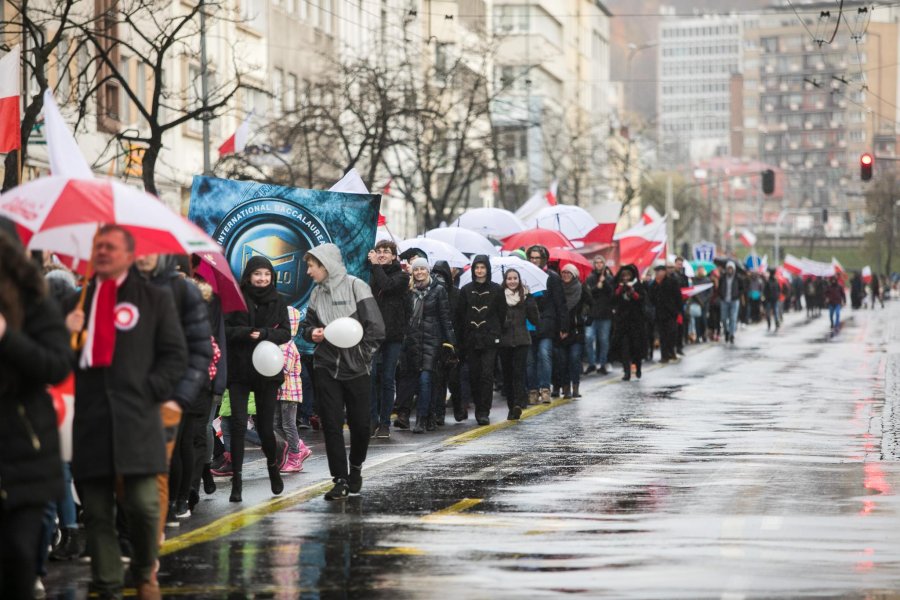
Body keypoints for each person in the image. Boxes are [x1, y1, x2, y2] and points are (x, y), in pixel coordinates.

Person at [63, 225, 187, 599]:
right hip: (91, 422)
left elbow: (175, 356)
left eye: (111, 247)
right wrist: (65, 335)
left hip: (138, 420)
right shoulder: (76, 301)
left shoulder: (153, 299)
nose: (102, 252)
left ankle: (143, 568)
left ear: (129, 254)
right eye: (98, 246)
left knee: (145, 506)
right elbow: (57, 363)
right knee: (98, 512)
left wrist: (148, 391)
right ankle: (106, 584)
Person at [0, 231, 71, 599]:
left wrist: (7, 336)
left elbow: (56, 365)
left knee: (16, 560)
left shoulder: (34, 300)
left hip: (24, 452)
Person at [299, 244, 385, 501]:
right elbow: (307, 325)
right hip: (325, 366)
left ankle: (356, 467)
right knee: (331, 425)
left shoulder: (356, 286)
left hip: (357, 369)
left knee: (360, 425)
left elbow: (376, 329)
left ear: (325, 265)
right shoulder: (316, 294)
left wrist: (361, 356)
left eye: (311, 266)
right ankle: (339, 479)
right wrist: (310, 333)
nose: (308, 272)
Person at [134, 254, 212, 526]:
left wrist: (182, 394)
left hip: (181, 389)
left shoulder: (185, 293)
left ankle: (177, 500)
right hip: (139, 390)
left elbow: (204, 347)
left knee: (178, 447)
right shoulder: (126, 287)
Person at [224, 256, 291, 502]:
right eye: (257, 274)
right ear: (248, 276)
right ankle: (237, 481)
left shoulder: (278, 300)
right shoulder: (235, 298)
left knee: (264, 427)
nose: (262, 278)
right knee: (239, 425)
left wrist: (264, 333)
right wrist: (244, 333)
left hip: (266, 371)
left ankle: (273, 468)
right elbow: (223, 329)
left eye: (266, 274)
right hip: (240, 369)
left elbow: (285, 332)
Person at [395, 257, 455, 433]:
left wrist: (450, 343)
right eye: (416, 269)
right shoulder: (409, 292)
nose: (419, 272)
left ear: (428, 271)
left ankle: (421, 419)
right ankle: (427, 415)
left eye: (422, 269)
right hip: (413, 342)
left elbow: (445, 318)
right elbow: (405, 317)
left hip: (432, 341)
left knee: (426, 380)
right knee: (414, 380)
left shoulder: (439, 290)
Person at [456, 254, 506, 425]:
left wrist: (496, 333)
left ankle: (483, 410)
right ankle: (478, 405)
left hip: (490, 338)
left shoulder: (496, 290)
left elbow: (502, 313)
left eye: (482, 267)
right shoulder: (466, 290)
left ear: (487, 269)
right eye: (476, 267)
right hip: (471, 338)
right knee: (474, 375)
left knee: (486, 375)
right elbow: (460, 316)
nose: (479, 271)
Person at [367, 240, 409, 438]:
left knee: (387, 379)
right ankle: (372, 418)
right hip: (373, 334)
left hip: (393, 335)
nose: (381, 254)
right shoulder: (370, 273)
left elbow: (387, 285)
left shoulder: (401, 276)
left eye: (386, 251)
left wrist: (375, 265)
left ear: (394, 256)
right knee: (371, 376)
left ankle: (385, 422)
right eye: (378, 251)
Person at [524, 245, 567, 404]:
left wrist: (563, 326)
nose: (534, 260)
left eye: (537, 258)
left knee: (544, 355)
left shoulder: (552, 277)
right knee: (529, 360)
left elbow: (560, 303)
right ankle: (533, 390)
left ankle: (545, 389)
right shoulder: (523, 276)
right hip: (528, 325)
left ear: (543, 259)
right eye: (532, 257)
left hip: (547, 324)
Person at [499, 269, 540, 420]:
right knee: (508, 375)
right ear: (505, 280)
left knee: (518, 373)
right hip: (505, 342)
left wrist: (530, 301)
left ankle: (517, 404)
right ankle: (512, 406)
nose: (512, 281)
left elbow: (535, 319)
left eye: (515, 278)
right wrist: (504, 322)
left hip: (522, 341)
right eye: (509, 278)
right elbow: (496, 318)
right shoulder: (500, 296)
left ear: (519, 279)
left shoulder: (526, 296)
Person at [275, 306, 311, 472]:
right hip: (279, 392)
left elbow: (284, 370)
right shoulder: (278, 343)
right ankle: (299, 446)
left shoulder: (288, 346)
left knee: (288, 425)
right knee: (277, 425)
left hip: (289, 392)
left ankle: (295, 456)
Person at [430, 260, 462, 424]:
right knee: (439, 379)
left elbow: (461, 318)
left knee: (454, 378)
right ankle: (439, 413)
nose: (438, 277)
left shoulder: (456, 293)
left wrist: (457, 342)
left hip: (453, 341)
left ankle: (458, 407)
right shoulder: (431, 292)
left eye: (441, 274)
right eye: (435, 274)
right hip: (436, 339)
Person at [558, 264, 590, 397]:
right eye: (564, 272)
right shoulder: (558, 289)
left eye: (568, 273)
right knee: (563, 360)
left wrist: (585, 318)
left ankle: (575, 387)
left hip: (577, 331)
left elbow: (591, 304)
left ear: (574, 275)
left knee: (574, 358)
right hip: (561, 331)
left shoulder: (581, 288)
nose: (565, 275)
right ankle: (566, 388)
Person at [612, 264, 647, 380]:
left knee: (636, 347)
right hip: (622, 323)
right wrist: (621, 289)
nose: (626, 278)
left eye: (628, 276)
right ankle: (627, 372)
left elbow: (642, 300)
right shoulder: (618, 286)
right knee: (624, 348)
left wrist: (633, 293)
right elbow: (613, 299)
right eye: (624, 276)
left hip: (636, 322)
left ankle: (638, 367)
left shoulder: (638, 285)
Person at [583, 255, 614, 375]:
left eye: (601, 263)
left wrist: (604, 283)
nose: (599, 265)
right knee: (589, 338)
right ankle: (591, 363)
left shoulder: (609, 278)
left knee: (604, 340)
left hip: (605, 314)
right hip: (592, 314)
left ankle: (602, 363)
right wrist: (597, 287)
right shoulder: (590, 278)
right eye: (597, 263)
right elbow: (588, 294)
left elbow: (611, 294)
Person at [648, 264, 682, 362]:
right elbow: (651, 298)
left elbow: (678, 297)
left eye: (660, 271)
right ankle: (665, 355)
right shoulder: (654, 284)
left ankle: (671, 351)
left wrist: (678, 311)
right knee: (663, 335)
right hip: (660, 313)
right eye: (657, 272)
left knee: (671, 333)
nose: (658, 273)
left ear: (664, 272)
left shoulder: (672, 282)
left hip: (671, 312)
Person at [718, 261, 743, 344]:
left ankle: (732, 334)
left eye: (731, 268)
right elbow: (719, 288)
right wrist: (721, 295)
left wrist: (737, 295)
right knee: (723, 318)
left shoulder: (738, 278)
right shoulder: (722, 278)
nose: (730, 270)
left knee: (733, 318)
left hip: (734, 301)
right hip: (724, 300)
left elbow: (742, 288)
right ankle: (726, 331)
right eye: (728, 268)